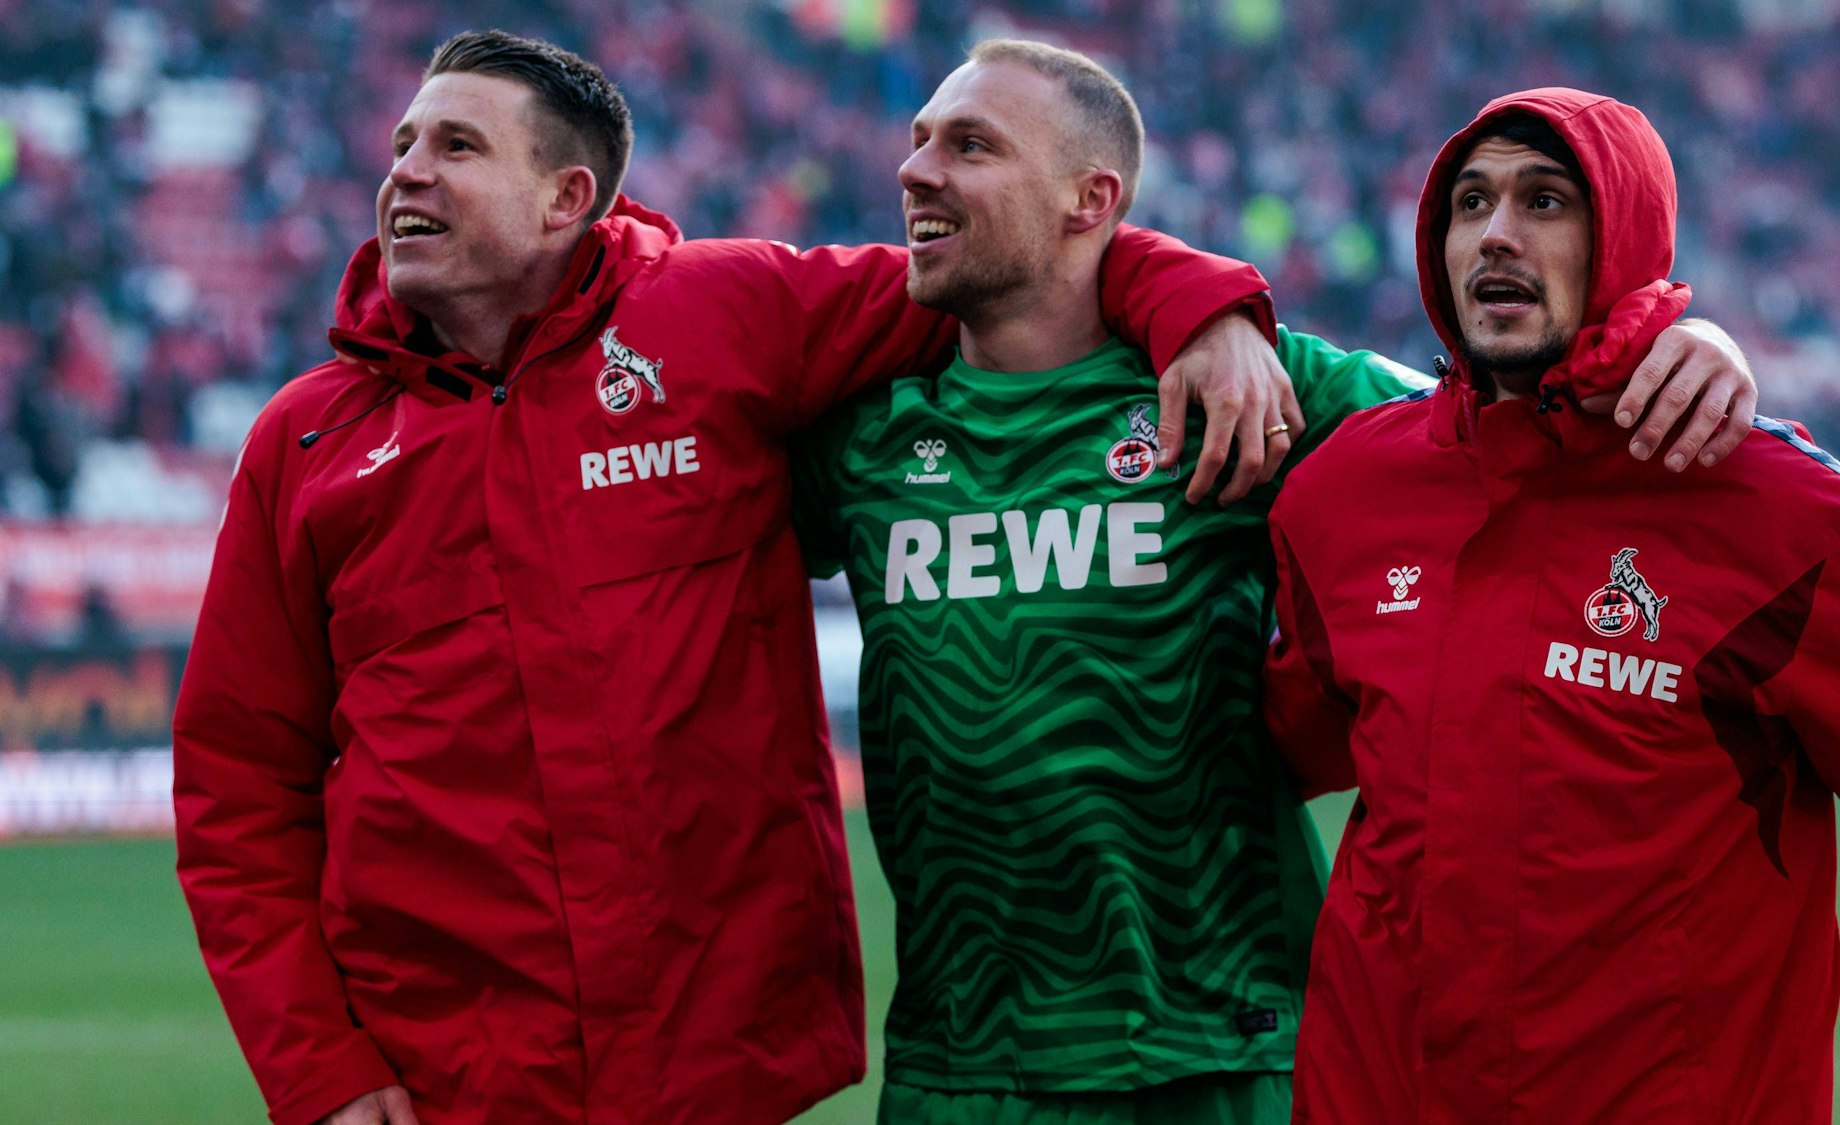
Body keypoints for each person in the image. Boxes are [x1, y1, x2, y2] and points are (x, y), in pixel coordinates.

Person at [171, 30, 1301, 1125]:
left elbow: (1008, 263)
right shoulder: (307, 443)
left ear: (566, 199)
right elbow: (236, 787)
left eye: (456, 147)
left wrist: (1203, 307)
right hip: (441, 1082)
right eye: (403, 144)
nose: (404, 171)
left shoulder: (723, 315)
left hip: (712, 1076)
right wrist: (316, 1067)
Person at [793, 50, 1758, 1124]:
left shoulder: (1253, 387)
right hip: (959, 1070)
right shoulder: (861, 437)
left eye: (968, 145)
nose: (914, 169)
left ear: (1090, 200)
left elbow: (1516, 428)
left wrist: (1680, 343)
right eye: (919, 138)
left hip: (1223, 1053)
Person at [1263, 88, 1840, 1122]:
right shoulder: (1345, 494)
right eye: (1466, 204)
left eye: (1544, 201)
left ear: (1624, 234)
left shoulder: (1771, 513)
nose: (1495, 235)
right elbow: (1268, 746)